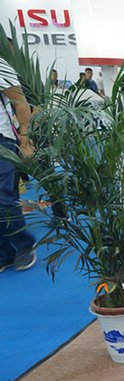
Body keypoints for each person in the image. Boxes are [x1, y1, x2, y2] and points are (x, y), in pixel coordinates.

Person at [0, 56, 36, 272]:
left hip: (2, 141)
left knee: (4, 199)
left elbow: (20, 103)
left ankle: (24, 245)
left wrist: (26, 139)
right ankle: (4, 254)